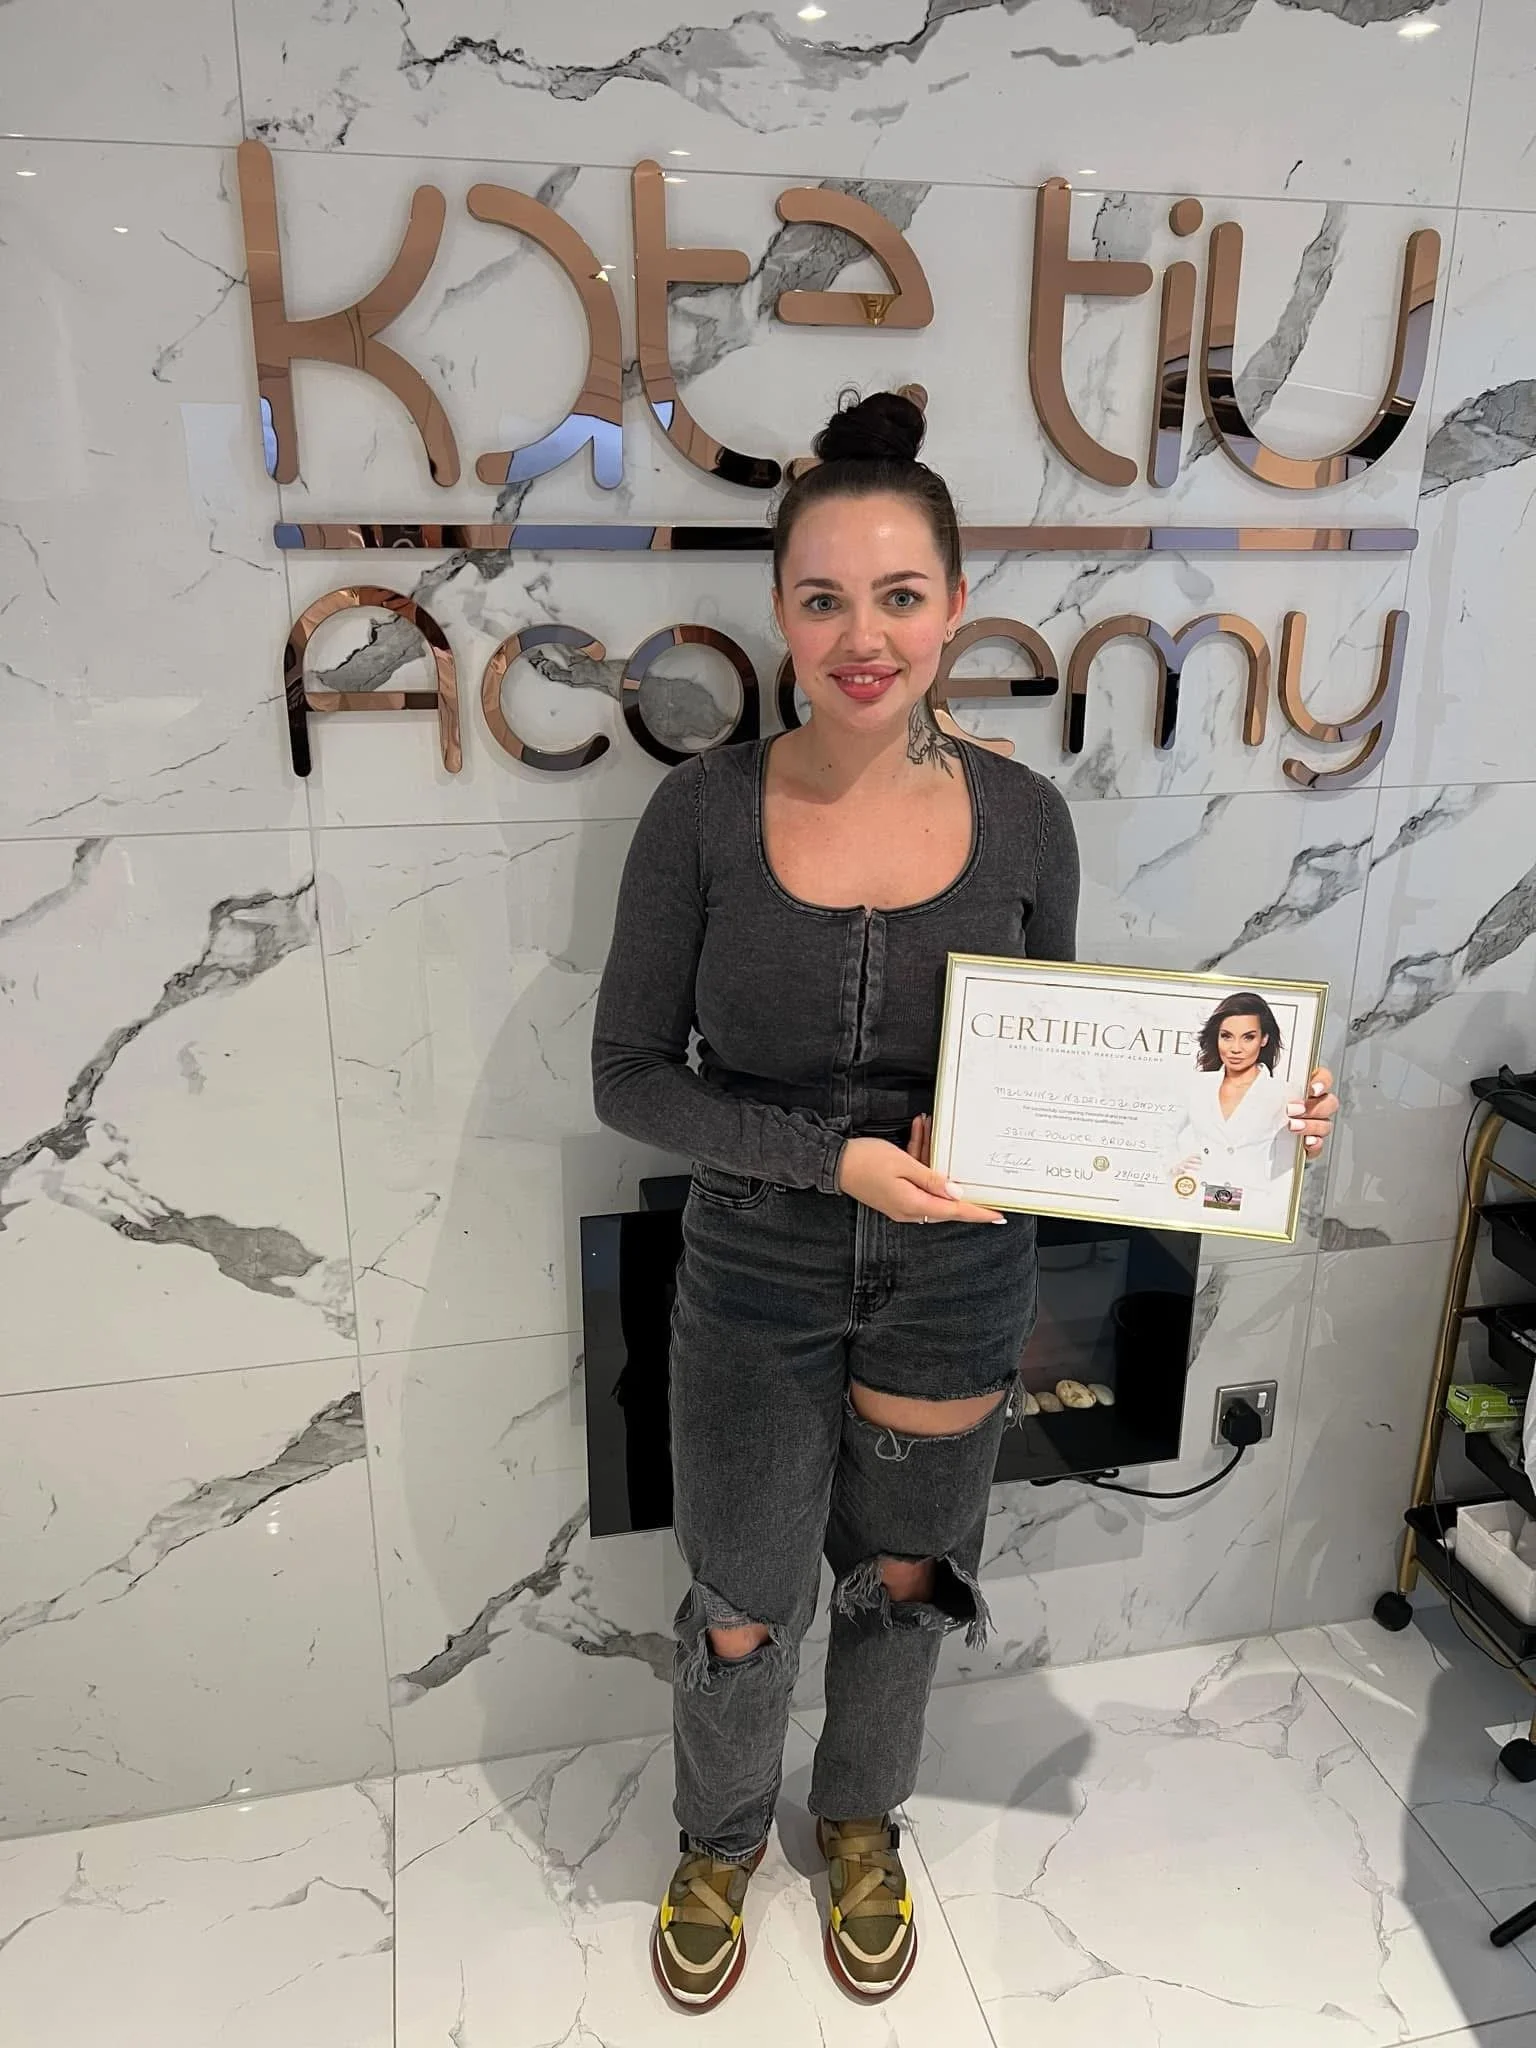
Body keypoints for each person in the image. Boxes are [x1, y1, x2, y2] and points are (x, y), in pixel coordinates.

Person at [591, 390, 1337, 2011]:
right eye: (824, 598)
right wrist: (826, 1158)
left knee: (907, 1576)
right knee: (740, 1599)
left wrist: (1252, 1101)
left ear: (952, 601)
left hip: (957, 1280)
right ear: (781, 611)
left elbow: (1072, 1071)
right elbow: (632, 1076)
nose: (864, 635)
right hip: (758, 1267)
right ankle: (719, 1836)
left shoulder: (1024, 820)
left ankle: (858, 1820)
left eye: (900, 595)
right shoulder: (703, 815)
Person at [1172, 991, 1307, 1233]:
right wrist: (1173, 1163)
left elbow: (1287, 1163)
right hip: (1192, 1201)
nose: (1235, 1048)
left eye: (1248, 1037)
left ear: (1264, 1039)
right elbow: (1162, 1130)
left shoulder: (1285, 1093)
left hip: (1253, 1208)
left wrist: (1277, 1213)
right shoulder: (1196, 1085)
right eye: (1226, 1036)